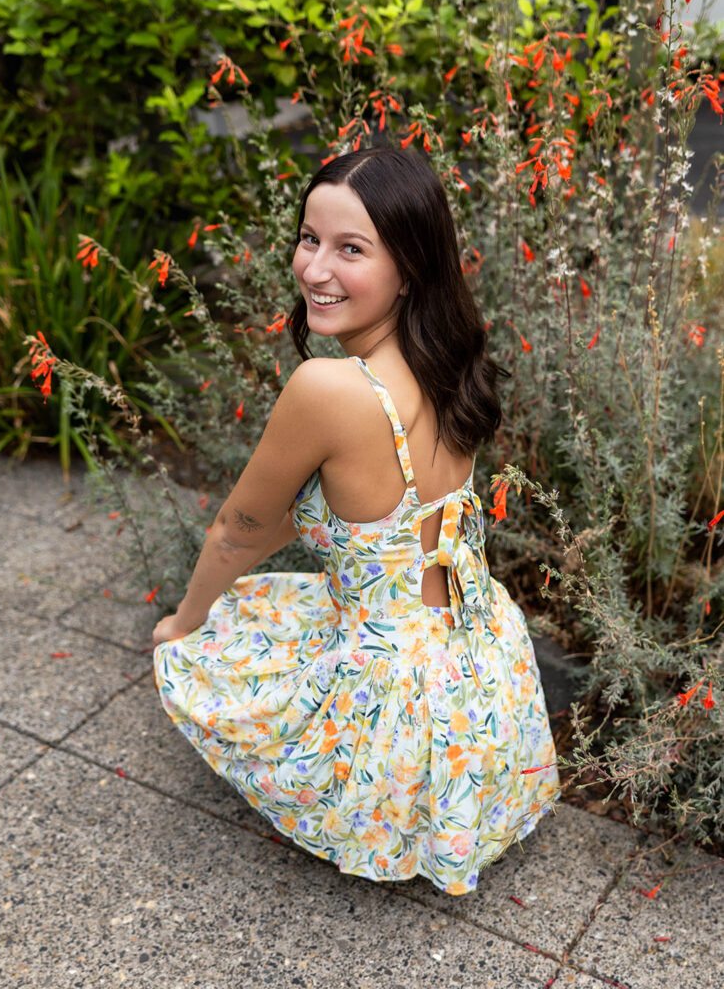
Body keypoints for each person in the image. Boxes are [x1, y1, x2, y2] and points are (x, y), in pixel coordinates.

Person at [152, 147, 561, 895]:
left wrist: (183, 622)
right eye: (310, 239)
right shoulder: (446, 358)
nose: (313, 270)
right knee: (275, 605)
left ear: (409, 267)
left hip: (393, 709)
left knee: (221, 632)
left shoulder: (330, 389)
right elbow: (373, 528)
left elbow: (237, 531)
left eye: (350, 249)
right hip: (482, 674)